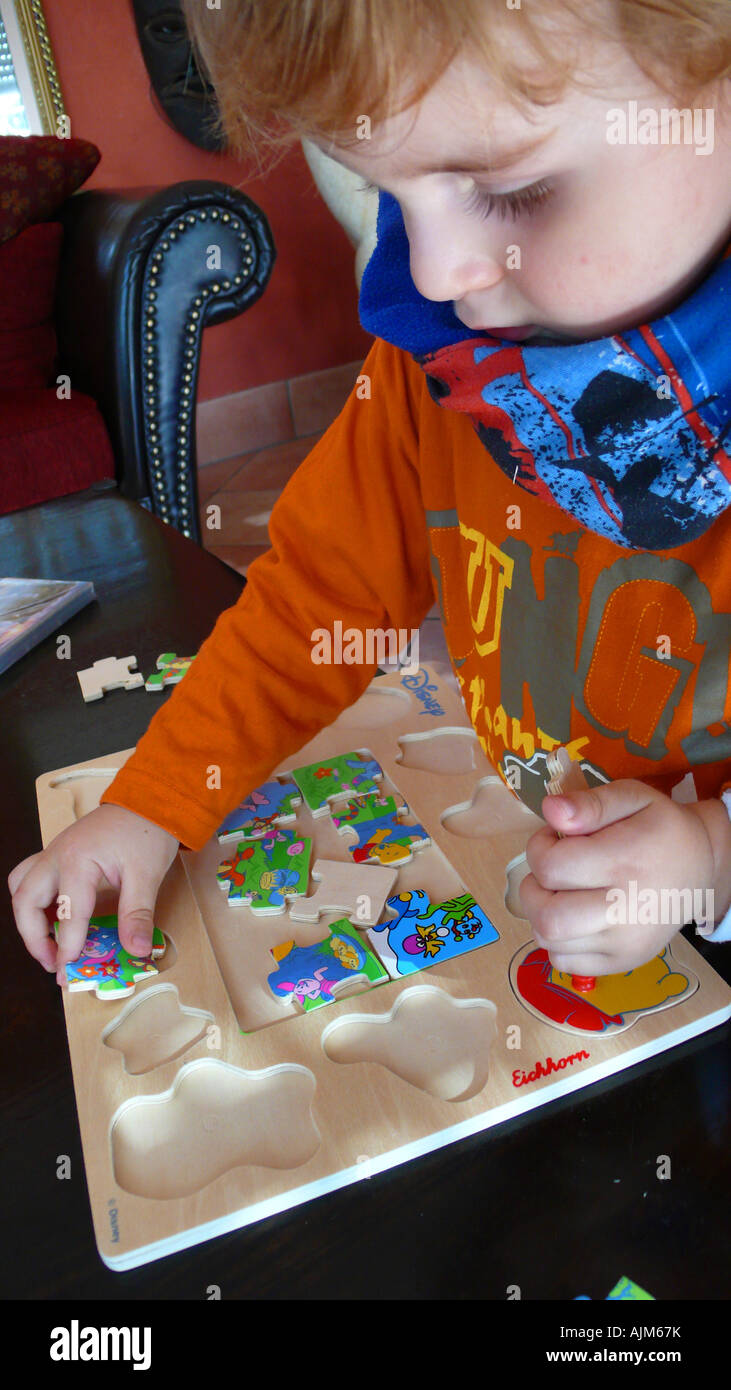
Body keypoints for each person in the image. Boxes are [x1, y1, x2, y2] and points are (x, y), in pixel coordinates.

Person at [9, 0, 731, 986]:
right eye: (383, 190)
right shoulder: (437, 368)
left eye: (510, 190)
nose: (431, 276)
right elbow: (315, 600)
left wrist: (707, 860)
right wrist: (155, 800)